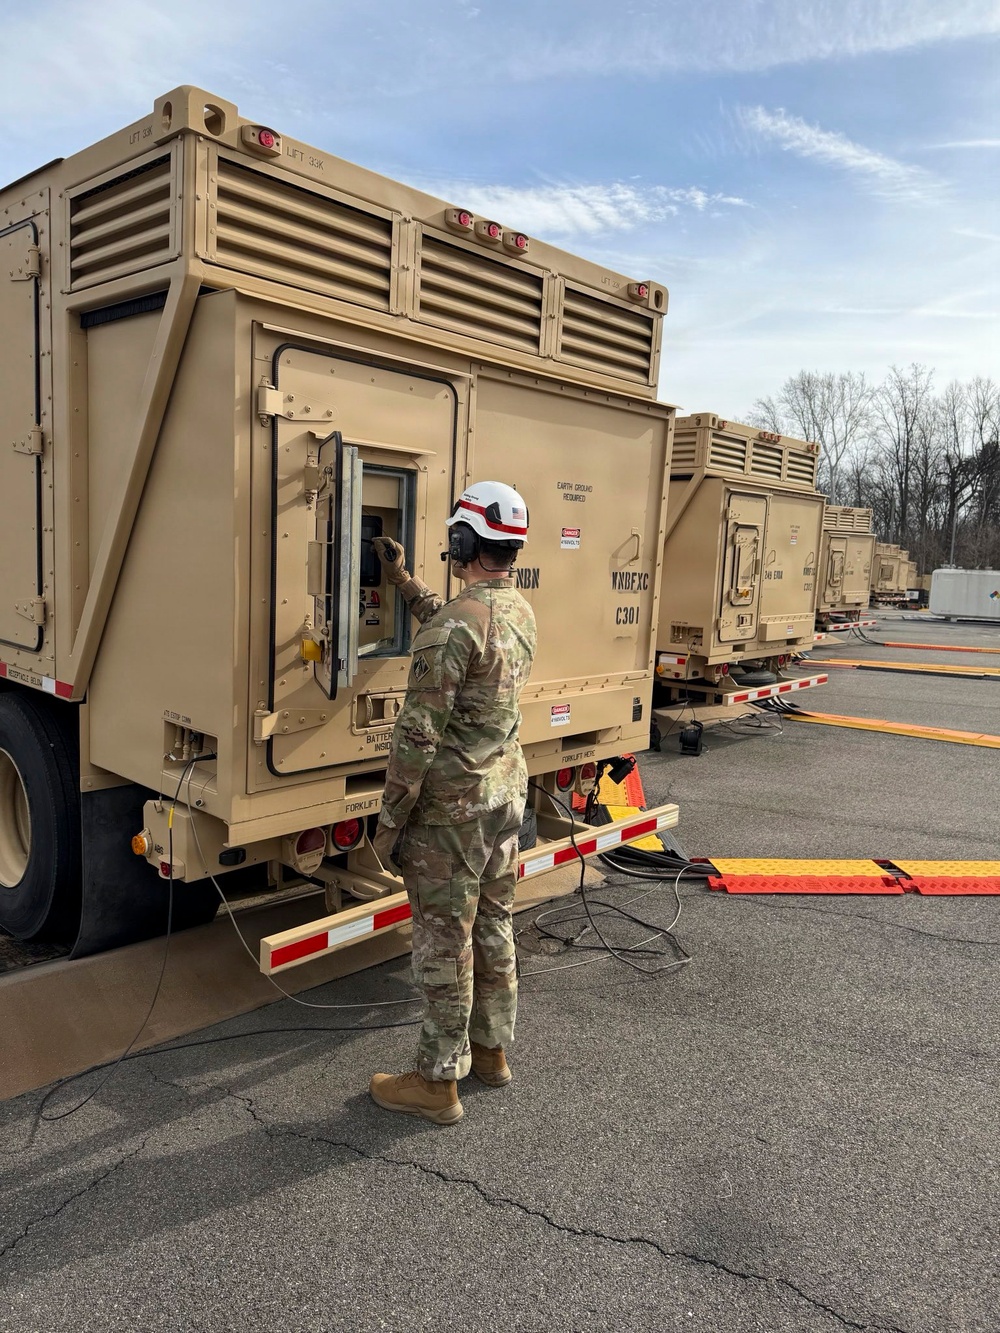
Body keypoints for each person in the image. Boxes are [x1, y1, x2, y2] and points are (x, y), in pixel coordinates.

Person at [368, 482, 537, 1126]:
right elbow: (462, 630)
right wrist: (404, 583)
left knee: (445, 941)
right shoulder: (517, 611)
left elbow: (416, 738)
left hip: (452, 814)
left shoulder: (454, 627)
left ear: (463, 541)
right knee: (493, 924)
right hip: (503, 798)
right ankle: (491, 1052)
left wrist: (389, 821)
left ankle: (438, 1082)